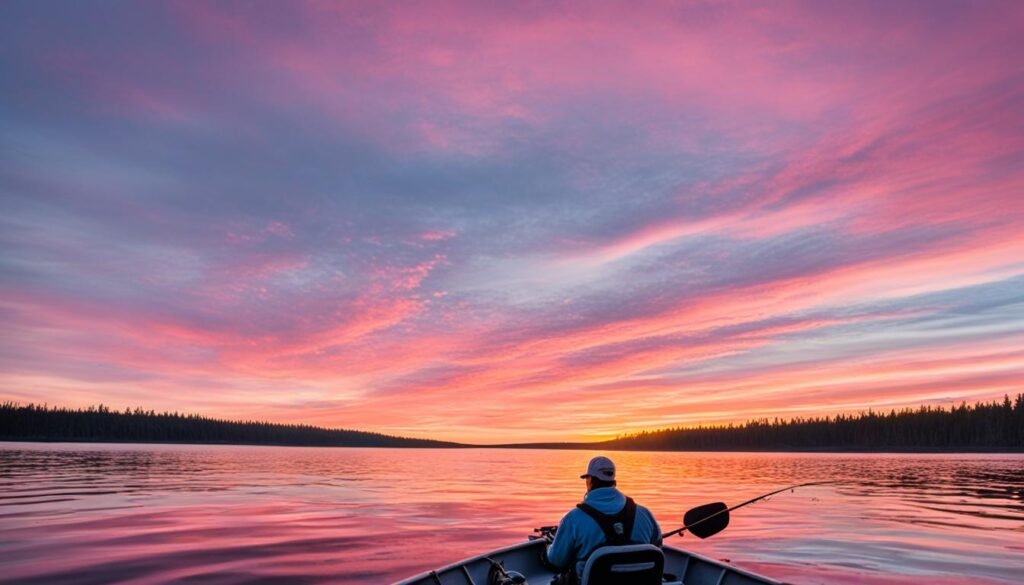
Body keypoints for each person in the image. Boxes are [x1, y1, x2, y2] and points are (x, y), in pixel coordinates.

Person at [544, 456, 662, 582]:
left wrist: (548, 546)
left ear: (590, 481)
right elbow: (658, 546)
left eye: (587, 479)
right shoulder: (645, 514)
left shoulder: (573, 519)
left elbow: (557, 561)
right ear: (613, 481)